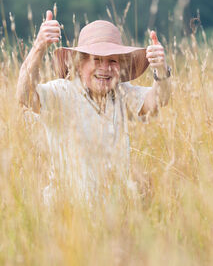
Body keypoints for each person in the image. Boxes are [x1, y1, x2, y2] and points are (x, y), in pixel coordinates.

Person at [16, 10, 171, 198]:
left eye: (112, 60)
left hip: (112, 214)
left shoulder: (122, 93)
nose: (105, 68)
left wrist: (161, 69)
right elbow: (25, 95)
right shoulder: (62, 92)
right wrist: (39, 46)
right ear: (79, 65)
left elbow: (158, 100)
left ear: (121, 67)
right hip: (67, 213)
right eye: (96, 59)